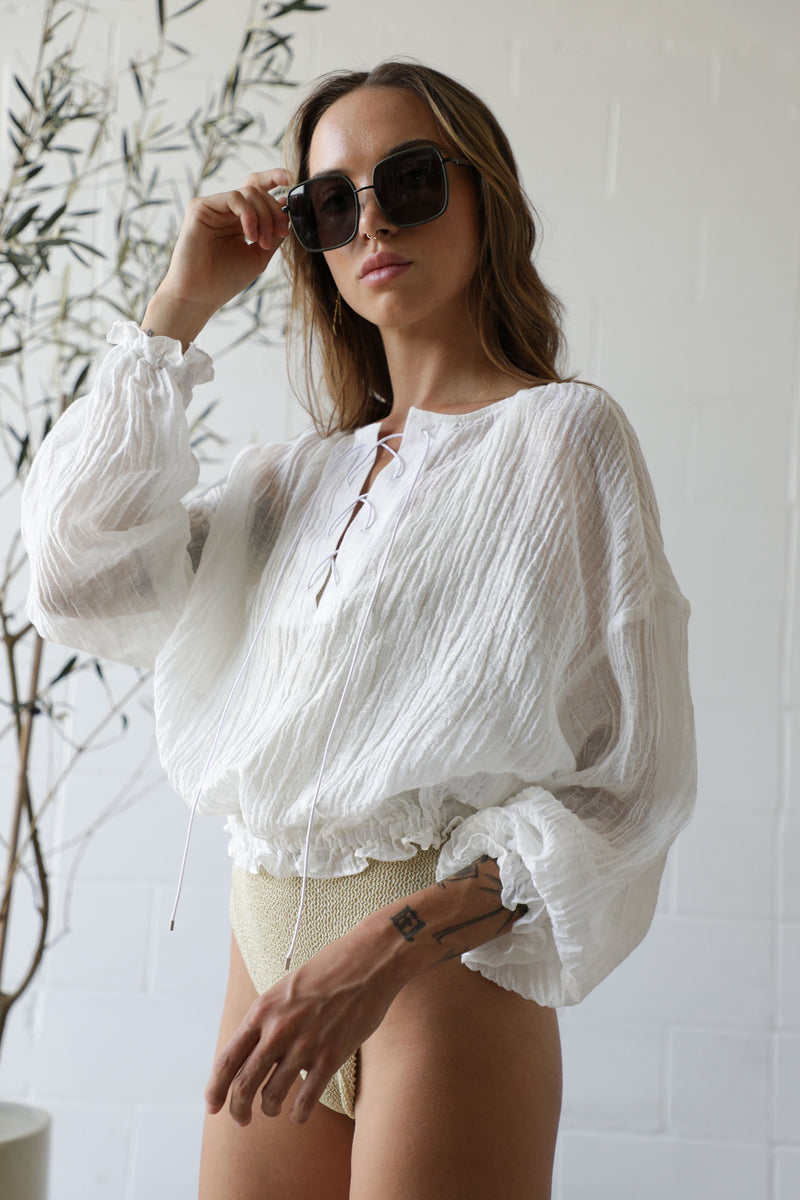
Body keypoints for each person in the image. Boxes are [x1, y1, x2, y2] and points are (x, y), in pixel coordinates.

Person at [20, 60, 697, 1200]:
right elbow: (78, 576)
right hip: (263, 969)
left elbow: (625, 787)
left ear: (483, 198)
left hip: (441, 982)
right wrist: (179, 310)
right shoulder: (287, 480)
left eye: (410, 180)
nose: (372, 219)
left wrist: (387, 946)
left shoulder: (562, 439)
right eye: (331, 202)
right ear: (312, 240)